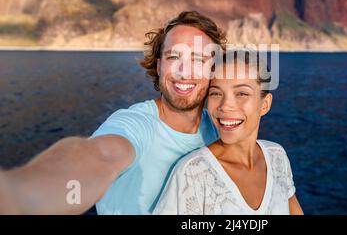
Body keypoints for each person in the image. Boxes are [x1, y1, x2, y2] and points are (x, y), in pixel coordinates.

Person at [0, 11, 226, 214]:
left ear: (214, 70)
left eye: (198, 59)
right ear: (159, 67)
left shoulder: (220, 128)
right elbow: (100, 155)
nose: (184, 72)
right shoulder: (137, 125)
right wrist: (21, 196)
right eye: (173, 57)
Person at [153, 49, 304, 215]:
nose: (225, 105)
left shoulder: (277, 157)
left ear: (265, 105)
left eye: (241, 93)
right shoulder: (192, 173)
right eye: (216, 93)